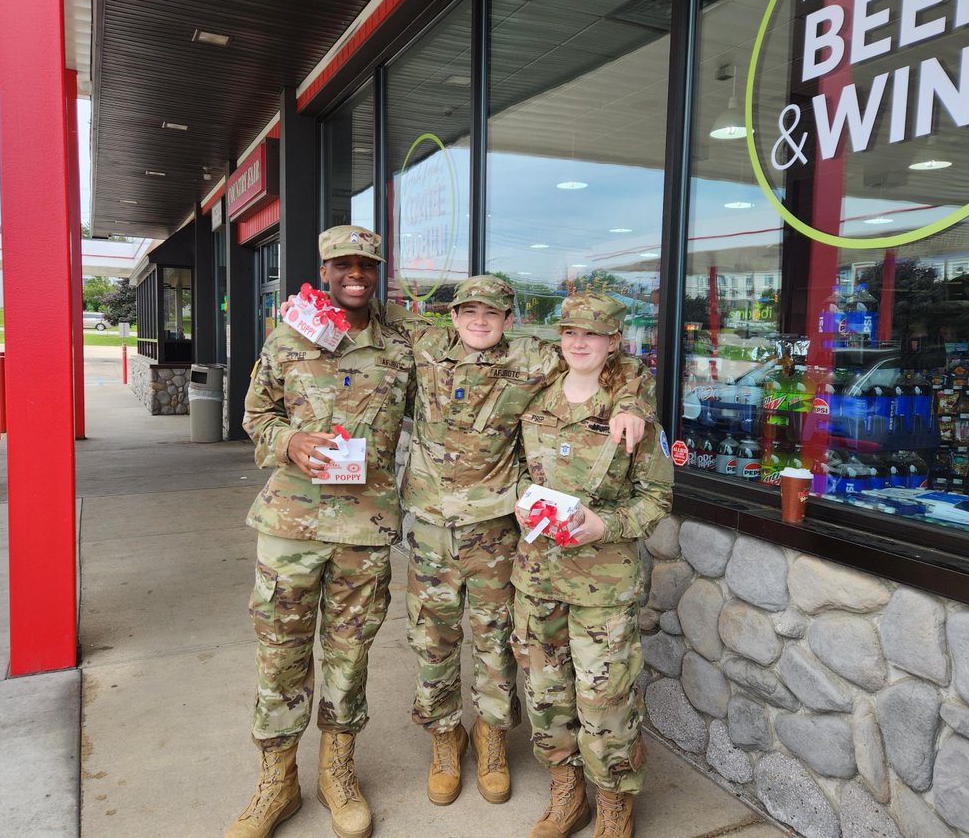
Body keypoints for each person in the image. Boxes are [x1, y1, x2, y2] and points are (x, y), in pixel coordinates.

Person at [394, 276, 652, 809]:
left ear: (509, 318)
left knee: (494, 639)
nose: (480, 320)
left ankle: (490, 736)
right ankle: (445, 735)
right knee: (431, 637)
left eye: (492, 312)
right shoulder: (422, 348)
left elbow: (608, 361)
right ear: (454, 314)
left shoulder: (536, 361)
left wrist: (632, 402)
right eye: (469, 310)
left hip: (494, 526)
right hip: (430, 526)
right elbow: (362, 326)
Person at [228, 225, 415, 838]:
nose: (354, 273)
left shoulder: (404, 342)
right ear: (325, 267)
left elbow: (495, 361)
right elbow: (256, 414)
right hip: (292, 522)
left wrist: (623, 395)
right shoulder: (289, 336)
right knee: (281, 652)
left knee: (348, 653)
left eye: (365, 263)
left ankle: (338, 771)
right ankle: (276, 782)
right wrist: (290, 440)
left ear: (378, 269)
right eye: (342, 264)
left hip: (365, 527)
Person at [510, 291, 673, 838]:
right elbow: (513, 467)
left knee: (605, 701)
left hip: (603, 584)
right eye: (570, 333)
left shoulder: (631, 413)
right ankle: (566, 790)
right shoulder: (536, 399)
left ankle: (613, 801)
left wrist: (609, 525)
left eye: (592, 334)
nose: (579, 343)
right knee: (545, 696)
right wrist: (519, 498)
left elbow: (656, 498)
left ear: (613, 343)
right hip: (537, 577)